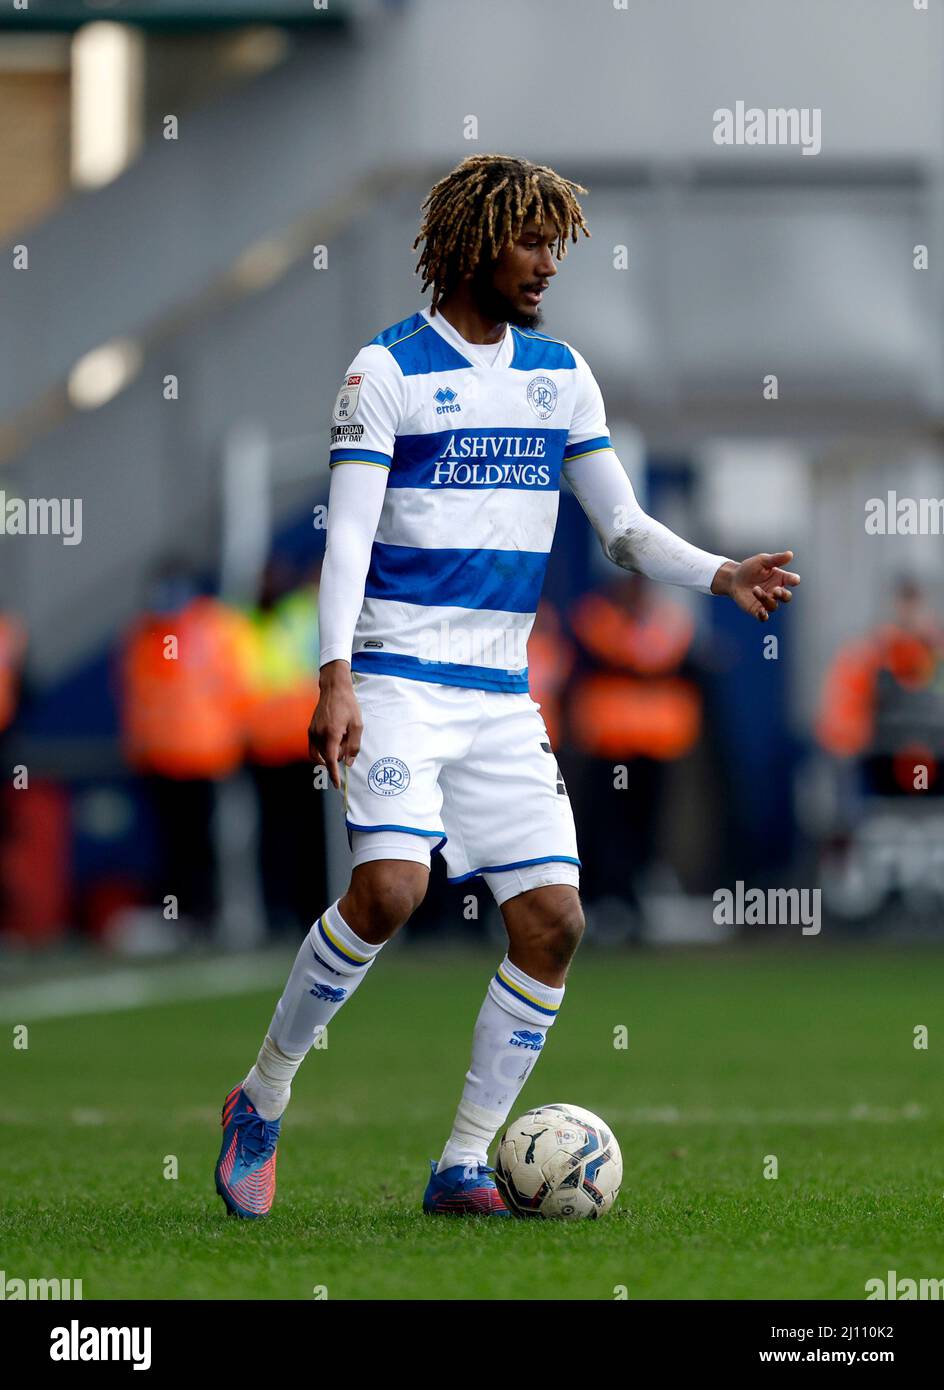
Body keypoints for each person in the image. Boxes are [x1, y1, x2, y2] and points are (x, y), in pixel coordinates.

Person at [214, 153, 800, 1220]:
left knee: (554, 921)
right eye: (528, 242)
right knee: (389, 892)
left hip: (495, 697)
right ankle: (261, 1095)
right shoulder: (383, 371)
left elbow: (619, 528)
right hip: (393, 679)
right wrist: (335, 675)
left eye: (554, 246)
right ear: (470, 243)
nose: (544, 264)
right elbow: (344, 541)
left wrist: (715, 571)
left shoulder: (559, 374)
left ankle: (462, 1161)